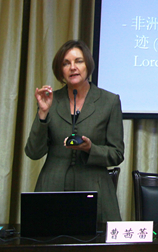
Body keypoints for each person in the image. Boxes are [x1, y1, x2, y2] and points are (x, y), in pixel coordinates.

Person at [25, 39, 124, 222]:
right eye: (66, 63)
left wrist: (90, 148)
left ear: (88, 65)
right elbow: (33, 152)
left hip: (94, 190)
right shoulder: (50, 100)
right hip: (52, 188)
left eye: (78, 61)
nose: (72, 67)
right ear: (60, 70)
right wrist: (43, 114)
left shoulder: (109, 102)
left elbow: (117, 154)